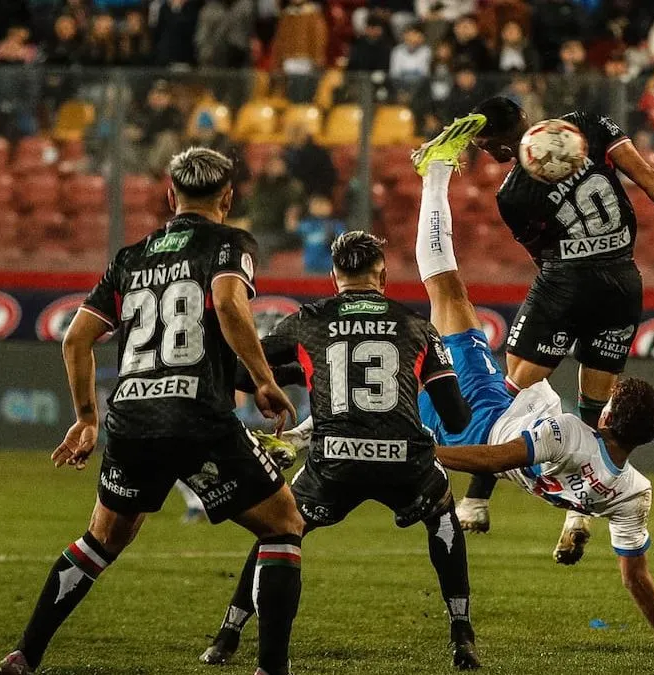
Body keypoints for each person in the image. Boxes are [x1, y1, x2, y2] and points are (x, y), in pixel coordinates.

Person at [411, 117, 654, 658]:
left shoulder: (565, 435)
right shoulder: (633, 493)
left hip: (484, 413)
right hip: (515, 407)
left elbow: (491, 458)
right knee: (437, 337)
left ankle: (434, 174)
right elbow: (636, 579)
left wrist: (425, 454)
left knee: (447, 291)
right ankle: (566, 516)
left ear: (606, 419)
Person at [0, 148, 305, 675]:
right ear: (228, 197)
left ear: (169, 195)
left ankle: (25, 654)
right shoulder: (230, 243)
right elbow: (229, 305)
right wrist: (266, 382)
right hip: (198, 416)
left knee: (103, 539)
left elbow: (76, 340)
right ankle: (271, 670)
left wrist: (87, 418)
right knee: (282, 526)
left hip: (131, 416)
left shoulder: (129, 257)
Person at [198, 230, 482, 670]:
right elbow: (459, 418)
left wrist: (302, 376)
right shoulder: (417, 326)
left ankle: (227, 636)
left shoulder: (308, 320)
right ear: (382, 274)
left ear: (334, 275)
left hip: (334, 463)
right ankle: (462, 633)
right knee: (442, 514)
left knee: (279, 528)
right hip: (405, 463)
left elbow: (241, 372)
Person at [456, 98, 654, 532]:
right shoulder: (587, 124)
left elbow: (543, 256)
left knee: (513, 388)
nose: (487, 153)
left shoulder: (513, 193)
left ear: (503, 143)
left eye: (486, 146)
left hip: (565, 283)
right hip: (622, 281)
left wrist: (564, 299)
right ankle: (581, 508)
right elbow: (647, 175)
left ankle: (477, 500)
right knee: (594, 407)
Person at [292, 193, 347, 274]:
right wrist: (293, 213)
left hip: (328, 266)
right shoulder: (307, 224)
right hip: (310, 266)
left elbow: (344, 241)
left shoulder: (335, 225)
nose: (319, 207)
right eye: (316, 204)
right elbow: (293, 228)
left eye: (322, 204)